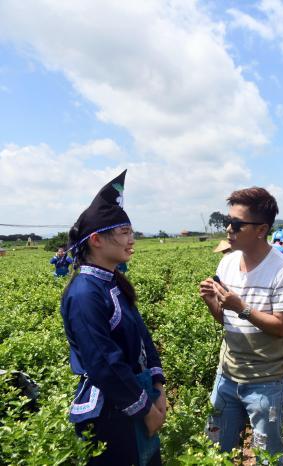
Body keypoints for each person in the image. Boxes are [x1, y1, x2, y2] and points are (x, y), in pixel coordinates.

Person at [60, 170, 166, 465]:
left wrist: (158, 387)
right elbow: (103, 361)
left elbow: (142, 336)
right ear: (96, 240)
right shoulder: (85, 292)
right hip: (112, 411)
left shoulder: (111, 281)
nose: (132, 240)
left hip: (135, 397)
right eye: (124, 233)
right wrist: (146, 409)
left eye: (131, 232)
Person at [199, 187, 283, 464]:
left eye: (237, 224)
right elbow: (225, 318)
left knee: (268, 457)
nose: (228, 229)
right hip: (227, 375)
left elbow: (280, 327)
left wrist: (241, 307)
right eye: (227, 221)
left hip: (265, 383)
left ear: (261, 229)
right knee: (217, 452)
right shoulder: (227, 262)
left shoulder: (282, 269)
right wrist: (212, 302)